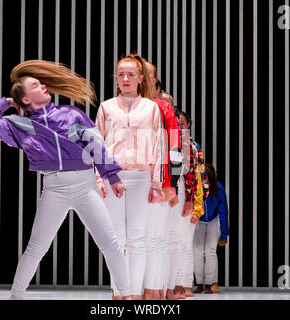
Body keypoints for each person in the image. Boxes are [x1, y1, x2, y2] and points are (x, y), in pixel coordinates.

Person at [0, 60, 132, 300]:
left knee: (110, 243)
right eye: (36, 85)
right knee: (36, 247)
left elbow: (96, 144)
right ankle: (16, 296)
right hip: (53, 189)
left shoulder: (70, 114)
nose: (44, 86)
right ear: (25, 99)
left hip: (85, 185)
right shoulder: (19, 125)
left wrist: (112, 176)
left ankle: (128, 296)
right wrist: (7, 102)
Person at [95, 53, 163, 300]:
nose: (125, 78)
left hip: (142, 176)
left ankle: (133, 293)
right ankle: (118, 292)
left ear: (141, 78)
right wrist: (99, 177)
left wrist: (156, 182)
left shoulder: (152, 108)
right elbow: (97, 144)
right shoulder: (106, 107)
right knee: (116, 240)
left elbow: (159, 147)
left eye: (131, 74)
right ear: (116, 77)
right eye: (121, 74)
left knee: (137, 238)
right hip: (113, 176)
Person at [142, 61, 181, 300]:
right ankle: (129, 290)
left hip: (159, 179)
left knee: (155, 237)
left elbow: (175, 147)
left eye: (148, 74)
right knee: (128, 239)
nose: (143, 78)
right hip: (126, 180)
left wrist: (173, 184)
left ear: (154, 80)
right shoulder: (118, 106)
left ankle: (154, 290)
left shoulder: (164, 109)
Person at [171, 111, 200, 298]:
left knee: (184, 243)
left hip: (186, 193)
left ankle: (184, 284)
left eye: (183, 123)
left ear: (188, 125)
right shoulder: (169, 140)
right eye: (177, 123)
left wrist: (196, 204)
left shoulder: (192, 145)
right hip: (172, 191)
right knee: (171, 242)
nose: (180, 126)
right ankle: (173, 285)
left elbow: (199, 177)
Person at [193, 163, 229, 294]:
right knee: (197, 252)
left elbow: (223, 211)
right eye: (201, 177)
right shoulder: (195, 187)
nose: (203, 180)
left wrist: (224, 234)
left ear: (211, 178)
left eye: (205, 177)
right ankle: (200, 283)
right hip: (199, 220)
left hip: (214, 220)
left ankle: (209, 283)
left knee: (210, 251)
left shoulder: (218, 189)